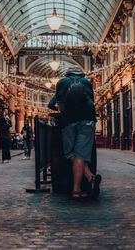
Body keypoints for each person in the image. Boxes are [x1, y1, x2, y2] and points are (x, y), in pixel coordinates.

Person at [49, 66, 101, 199]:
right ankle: (90, 177)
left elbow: (56, 103)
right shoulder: (86, 82)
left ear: (68, 74)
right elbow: (92, 101)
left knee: (70, 152)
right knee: (81, 153)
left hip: (68, 120)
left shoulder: (61, 82)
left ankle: (76, 190)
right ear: (81, 74)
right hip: (87, 120)